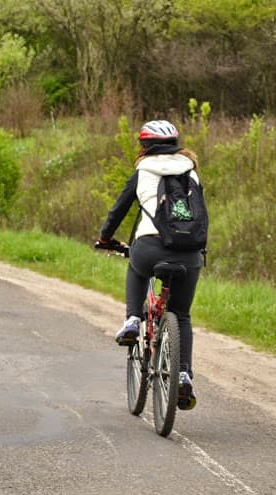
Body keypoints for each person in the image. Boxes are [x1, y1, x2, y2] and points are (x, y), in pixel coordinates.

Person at [97, 119, 201, 410]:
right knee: (180, 315)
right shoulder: (191, 172)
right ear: (176, 144)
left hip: (149, 248)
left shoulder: (142, 171)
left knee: (135, 265)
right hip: (189, 252)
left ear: (143, 146)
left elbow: (118, 210)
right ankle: (183, 376)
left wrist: (105, 238)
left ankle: (133, 319)